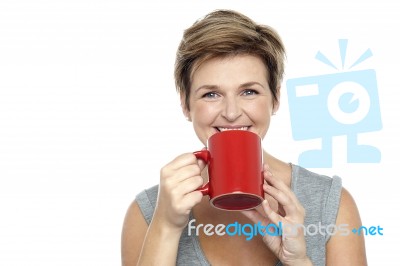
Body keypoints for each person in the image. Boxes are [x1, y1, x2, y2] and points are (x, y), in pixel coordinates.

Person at [121, 9, 367, 266]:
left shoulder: (332, 205)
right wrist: (166, 226)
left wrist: (299, 261)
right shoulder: (146, 214)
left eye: (249, 91)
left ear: (275, 99)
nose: (231, 112)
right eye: (211, 94)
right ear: (185, 105)